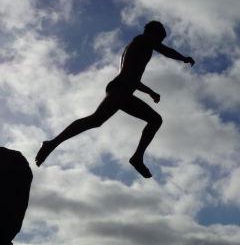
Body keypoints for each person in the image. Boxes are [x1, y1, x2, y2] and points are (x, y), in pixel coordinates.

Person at [35, 20, 194, 177]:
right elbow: (165, 51)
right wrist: (184, 58)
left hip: (125, 90)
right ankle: (52, 143)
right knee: (96, 120)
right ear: (154, 33)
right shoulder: (142, 39)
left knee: (154, 120)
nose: (159, 42)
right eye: (160, 38)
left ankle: (137, 157)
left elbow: (132, 77)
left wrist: (150, 92)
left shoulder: (137, 47)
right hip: (120, 89)